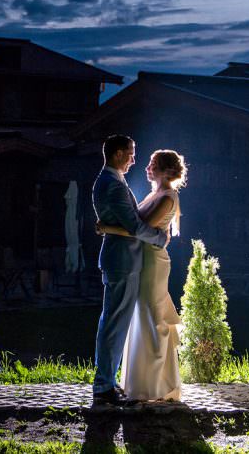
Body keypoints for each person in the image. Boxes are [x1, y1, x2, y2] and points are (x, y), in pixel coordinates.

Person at [98, 149, 187, 401]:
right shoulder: (155, 194)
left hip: (153, 263)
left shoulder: (167, 198)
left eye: (153, 164)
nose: (147, 167)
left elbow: (138, 227)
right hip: (143, 259)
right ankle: (140, 382)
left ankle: (156, 384)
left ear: (167, 170)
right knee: (143, 316)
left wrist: (107, 227)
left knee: (153, 317)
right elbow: (136, 224)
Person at [90, 134, 169, 405]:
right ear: (117, 154)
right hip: (123, 261)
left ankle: (106, 381)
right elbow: (134, 226)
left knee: (112, 320)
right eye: (131, 153)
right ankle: (103, 386)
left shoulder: (110, 181)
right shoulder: (113, 184)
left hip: (120, 259)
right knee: (114, 323)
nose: (134, 159)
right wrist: (160, 238)